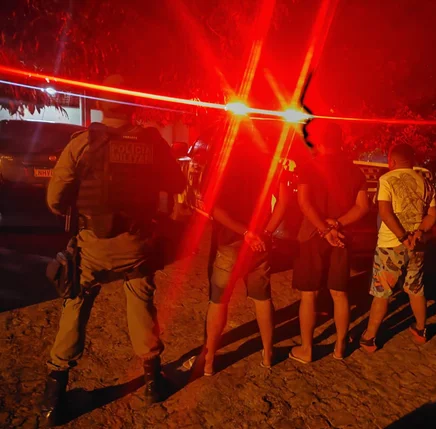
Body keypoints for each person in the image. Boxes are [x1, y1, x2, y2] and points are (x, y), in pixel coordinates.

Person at [41, 74, 187, 425]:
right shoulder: (152, 143)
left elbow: (55, 201)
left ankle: (52, 398)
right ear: (133, 106)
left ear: (101, 106)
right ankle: (153, 383)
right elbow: (177, 182)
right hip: (136, 245)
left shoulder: (80, 144)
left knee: (75, 305)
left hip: (93, 246)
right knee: (140, 302)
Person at [185, 142, 291, 376]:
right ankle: (267, 353)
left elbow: (215, 210)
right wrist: (264, 233)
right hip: (259, 246)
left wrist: (245, 233)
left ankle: (210, 359)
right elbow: (284, 202)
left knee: (218, 301)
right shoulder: (272, 163)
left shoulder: (223, 164)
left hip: (229, 244)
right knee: (262, 299)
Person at [289, 122, 369, 363]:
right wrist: (337, 226)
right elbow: (363, 207)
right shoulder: (355, 172)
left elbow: (304, 203)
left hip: (312, 236)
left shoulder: (309, 167)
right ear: (341, 142)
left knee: (309, 295)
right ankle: (340, 346)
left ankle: (306, 349)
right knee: (339, 293)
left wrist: (324, 229)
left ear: (320, 142)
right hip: (341, 238)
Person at [359, 143, 436, 351]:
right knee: (416, 287)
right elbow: (432, 215)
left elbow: (385, 212)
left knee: (382, 292)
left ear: (391, 161)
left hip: (390, 245)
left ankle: (369, 337)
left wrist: (403, 237)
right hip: (418, 246)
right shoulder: (426, 183)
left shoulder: (387, 180)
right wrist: (418, 233)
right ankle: (421, 330)